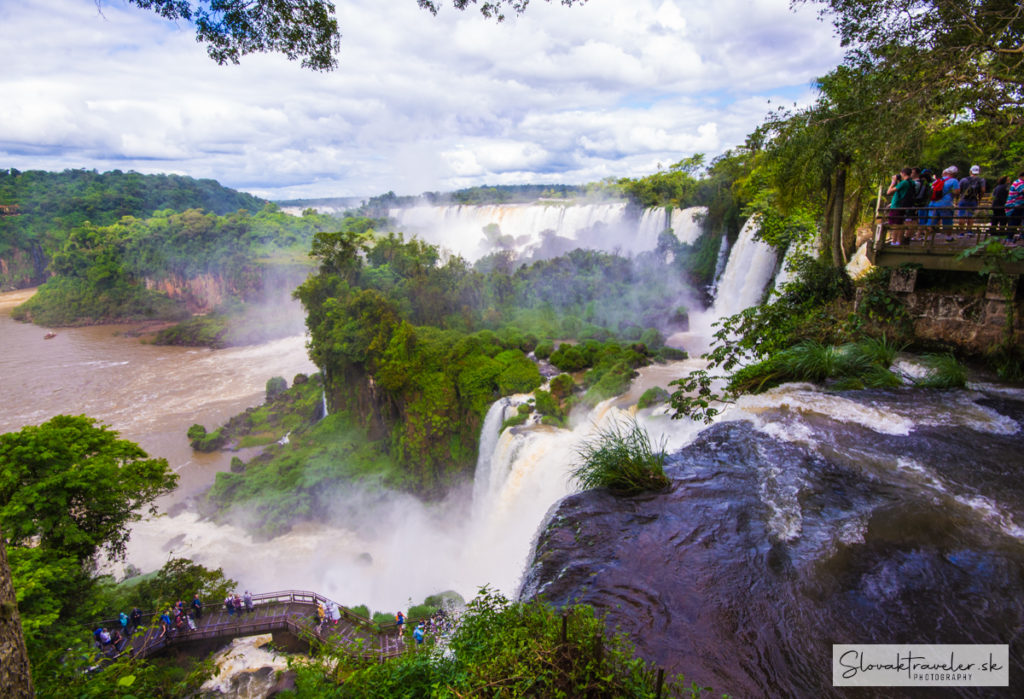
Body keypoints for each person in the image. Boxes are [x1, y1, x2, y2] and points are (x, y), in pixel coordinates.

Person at [886, 167, 915, 244]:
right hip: (903, 206)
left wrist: (893, 182)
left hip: (897, 207)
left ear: (903, 173)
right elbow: (902, 191)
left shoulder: (904, 183)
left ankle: (894, 241)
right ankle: (898, 241)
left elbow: (888, 192)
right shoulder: (911, 182)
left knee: (895, 225)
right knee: (900, 224)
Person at [928, 166, 960, 234]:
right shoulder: (954, 181)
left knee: (931, 221)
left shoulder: (938, 180)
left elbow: (931, 188)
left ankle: (927, 238)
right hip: (946, 204)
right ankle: (948, 237)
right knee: (947, 222)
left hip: (933, 203)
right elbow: (957, 192)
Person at [958, 165, 986, 232]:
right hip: (973, 200)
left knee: (961, 216)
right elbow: (983, 190)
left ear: (970, 171)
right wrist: (980, 199)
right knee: (971, 216)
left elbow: (958, 190)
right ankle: (969, 231)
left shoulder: (963, 180)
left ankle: (961, 232)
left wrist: (957, 199)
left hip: (963, 199)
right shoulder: (981, 180)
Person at [1006, 171, 1024, 236]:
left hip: (1019, 205)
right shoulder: (1019, 183)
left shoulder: (1019, 182)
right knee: (1014, 222)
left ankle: (1021, 235)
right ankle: (1009, 239)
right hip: (1015, 205)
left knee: (1019, 221)